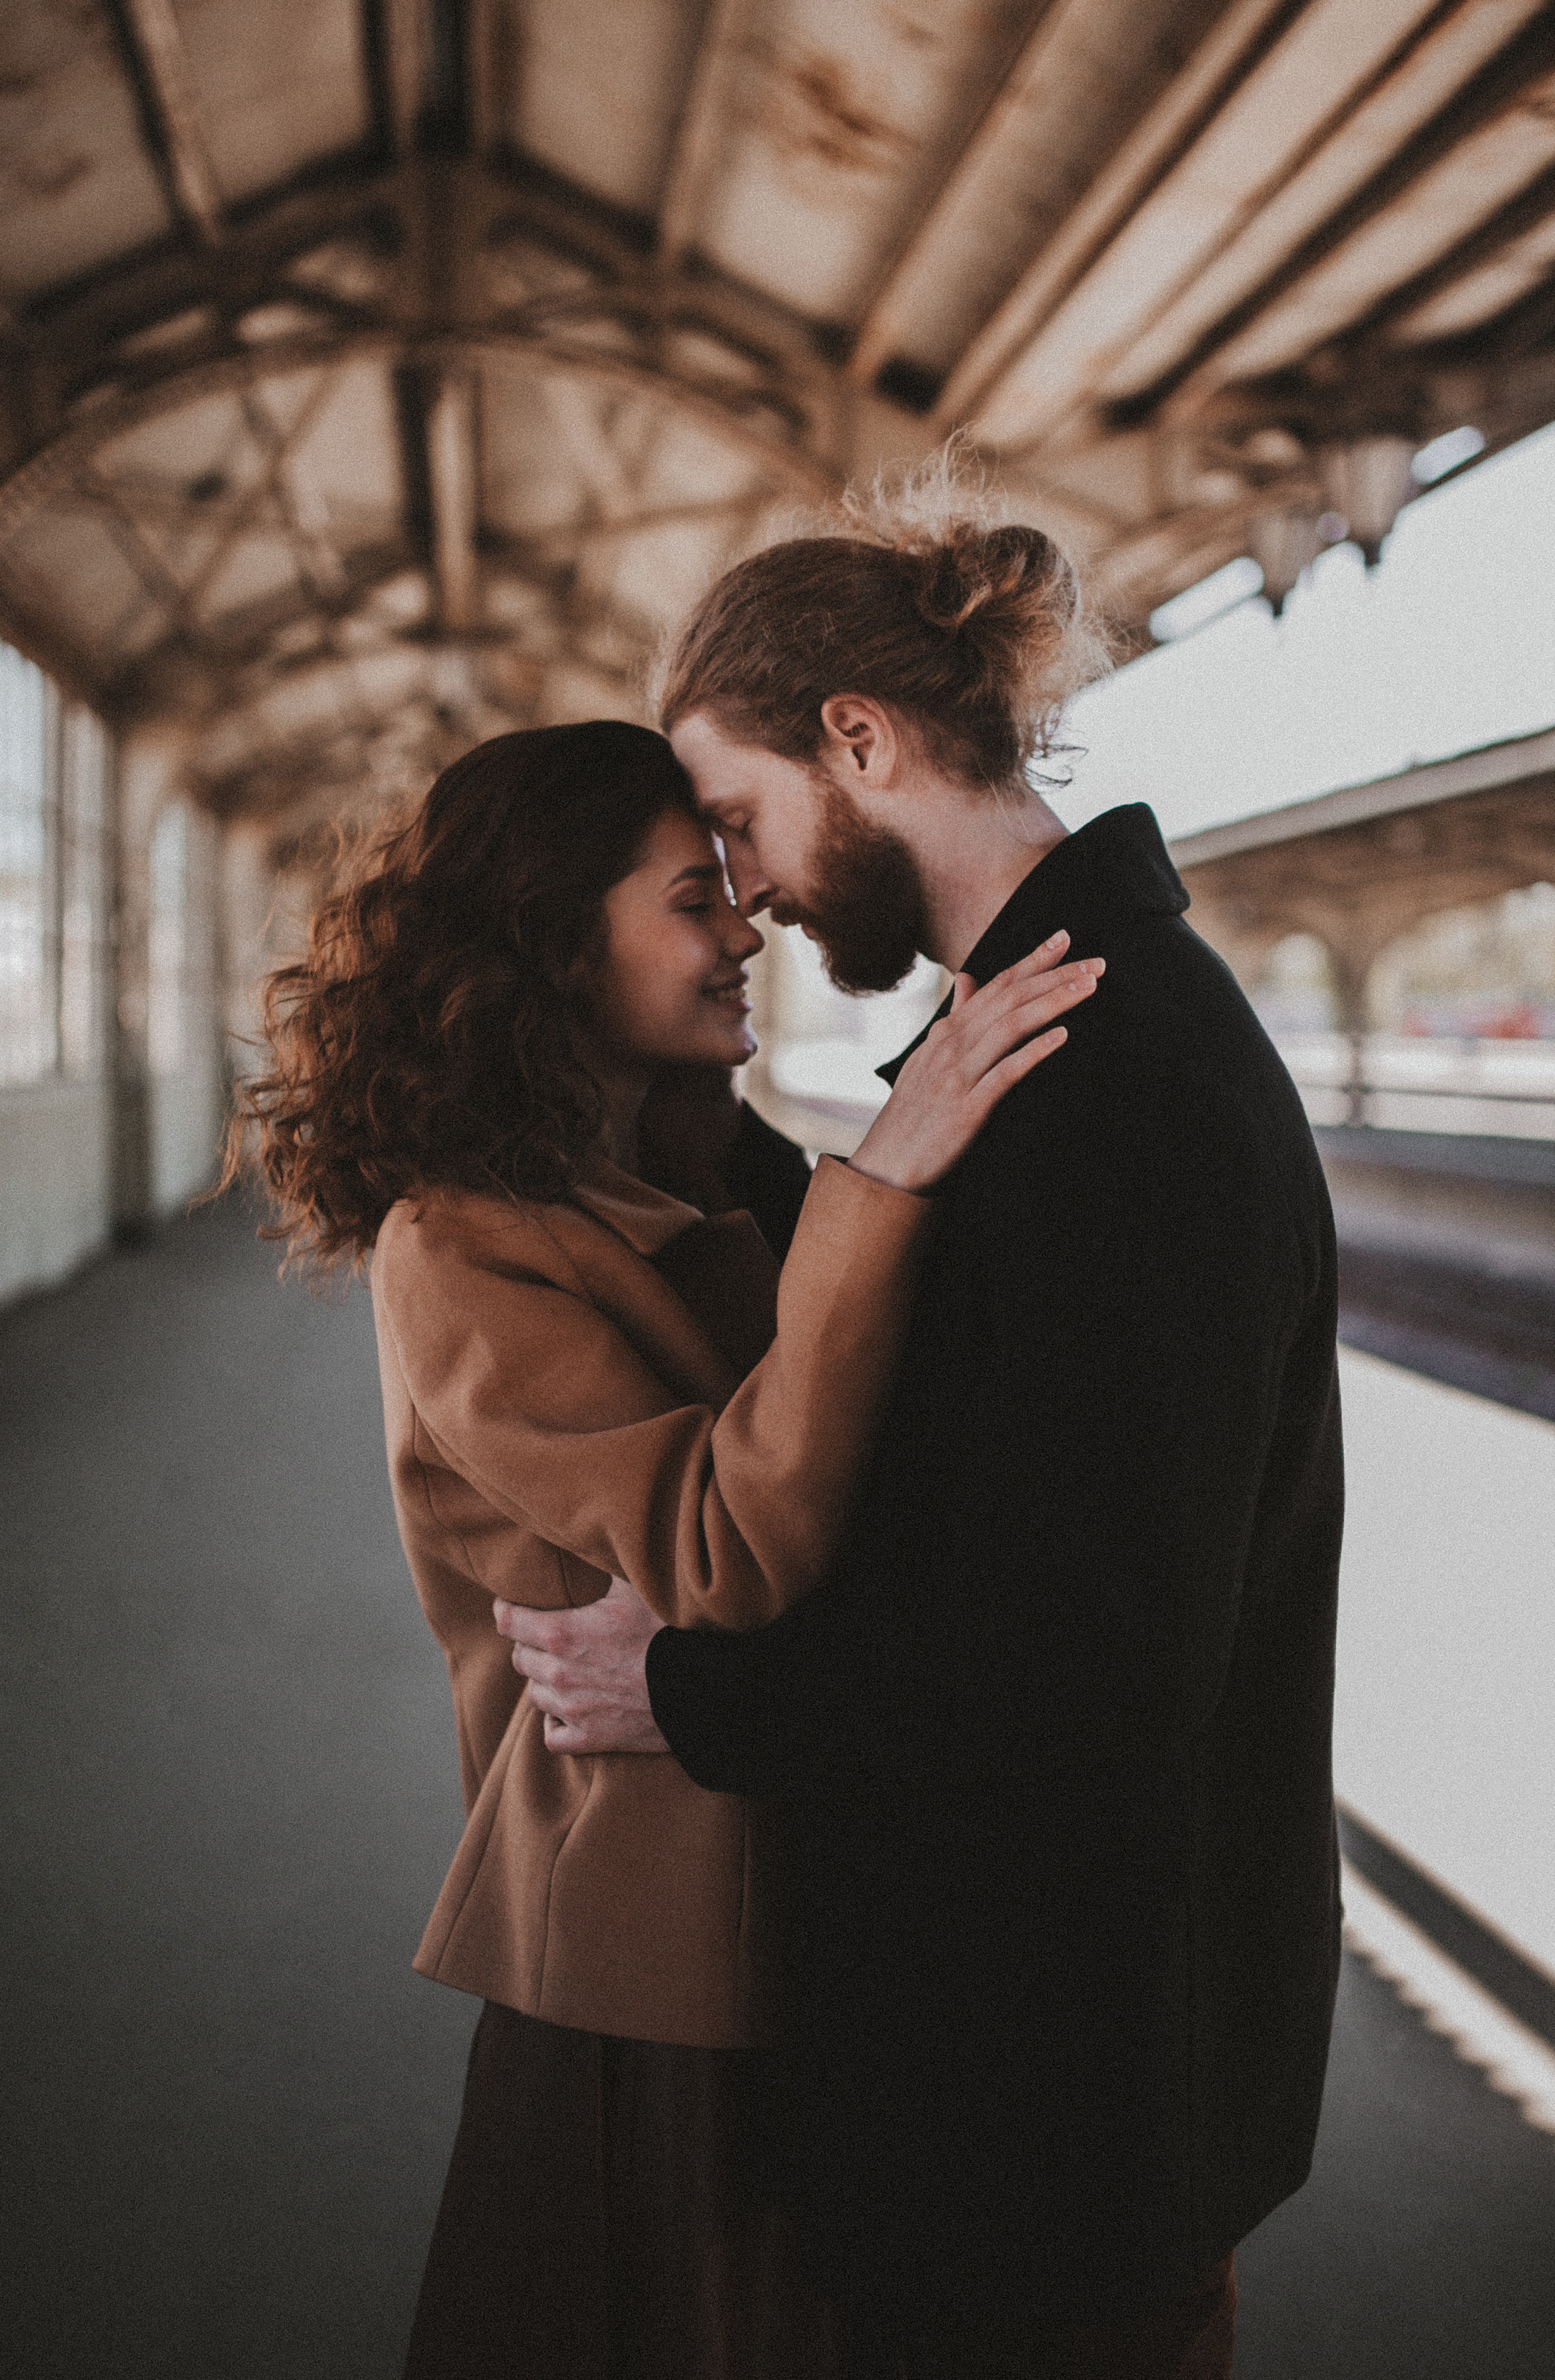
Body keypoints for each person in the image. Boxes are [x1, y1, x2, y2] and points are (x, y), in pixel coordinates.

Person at [501, 485, 1345, 2378]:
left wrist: (687, 1691)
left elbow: (1085, 1672)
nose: (747, 893)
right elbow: (964, 1378)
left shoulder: (1113, 1087)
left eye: (739, 821)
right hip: (1037, 2089)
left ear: (859, 741)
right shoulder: (1047, 1039)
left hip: (1051, 2123)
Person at [225, 717, 1102, 2379]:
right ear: (558, 939)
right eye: (693, 898)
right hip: (652, 1966)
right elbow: (722, 1553)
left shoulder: (681, 1180)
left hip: (788, 1917)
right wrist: (881, 1193)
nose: (745, 929)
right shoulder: (461, 1245)